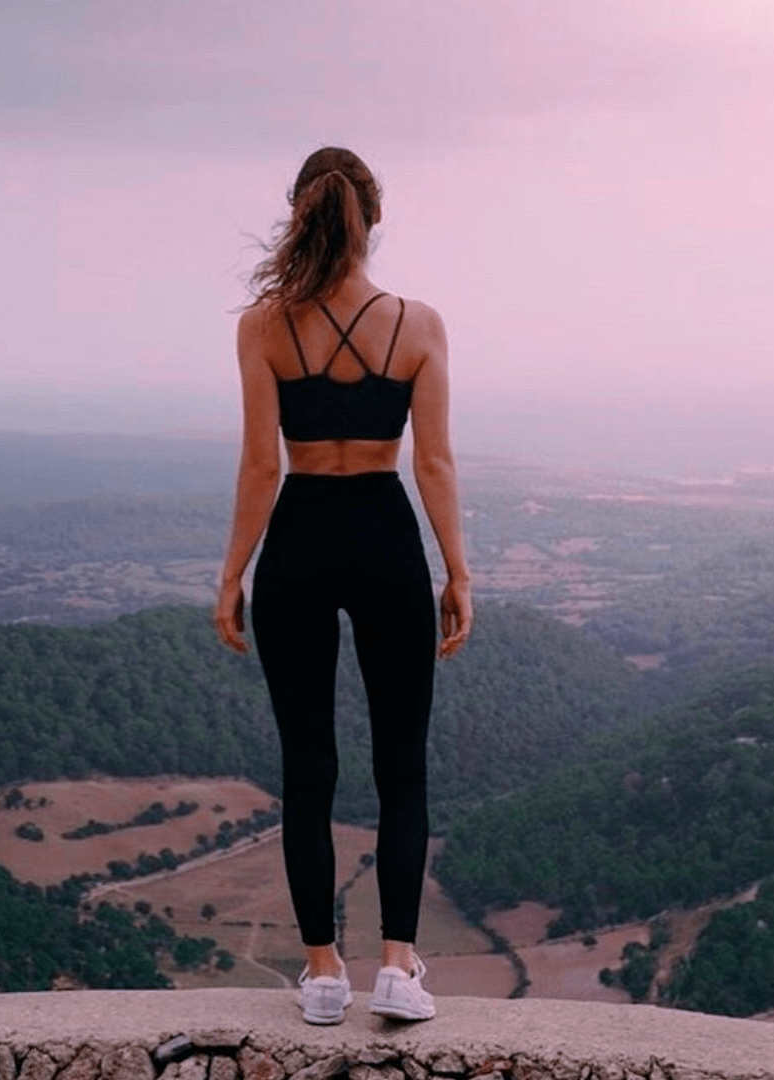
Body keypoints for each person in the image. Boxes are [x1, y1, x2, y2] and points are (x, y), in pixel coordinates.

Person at [213, 147, 472, 1025]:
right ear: (375, 217)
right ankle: (399, 965)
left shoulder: (264, 326)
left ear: (299, 213)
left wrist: (232, 573)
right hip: (387, 535)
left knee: (308, 766)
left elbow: (259, 465)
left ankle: (323, 973)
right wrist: (456, 569)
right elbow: (432, 462)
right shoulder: (420, 324)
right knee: (401, 763)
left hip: (299, 538)